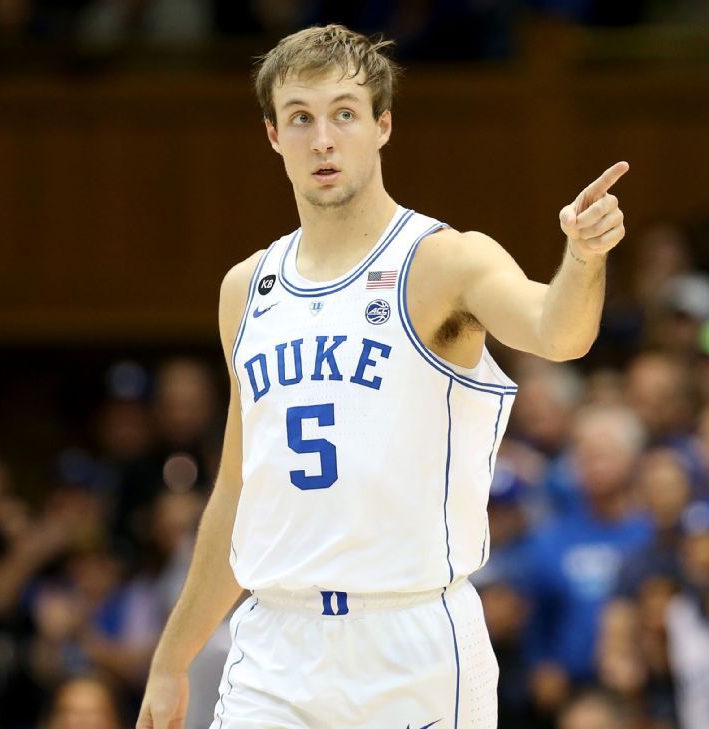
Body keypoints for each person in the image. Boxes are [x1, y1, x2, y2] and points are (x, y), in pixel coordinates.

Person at [137, 23, 629, 729]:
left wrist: (581, 259)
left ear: (382, 126)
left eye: (343, 113)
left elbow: (560, 332)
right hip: (278, 643)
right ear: (274, 135)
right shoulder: (246, 289)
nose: (323, 139)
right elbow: (240, 490)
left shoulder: (445, 261)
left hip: (413, 638)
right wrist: (171, 656)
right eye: (301, 118)